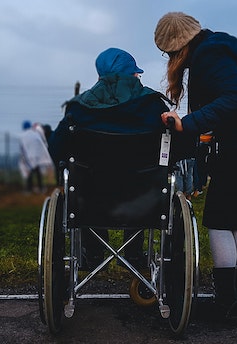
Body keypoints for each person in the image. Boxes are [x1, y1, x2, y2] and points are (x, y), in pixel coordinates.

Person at [154, 12, 237, 324]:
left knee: (219, 221)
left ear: (178, 47)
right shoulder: (220, 46)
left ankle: (227, 302)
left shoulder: (210, 55)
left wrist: (186, 125)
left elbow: (235, 96)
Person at [48, 47, 172, 269]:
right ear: (132, 75)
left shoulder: (79, 108)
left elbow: (56, 149)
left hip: (89, 200)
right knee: (141, 181)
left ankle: (93, 253)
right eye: (136, 73)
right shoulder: (153, 106)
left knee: (86, 184)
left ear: (100, 75)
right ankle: (133, 255)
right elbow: (175, 148)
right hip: (143, 201)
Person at [19, 120, 52, 194]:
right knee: (38, 173)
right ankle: (41, 188)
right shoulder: (35, 134)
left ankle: (28, 190)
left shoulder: (23, 136)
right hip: (37, 157)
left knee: (29, 174)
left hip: (29, 157)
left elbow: (22, 148)